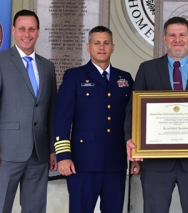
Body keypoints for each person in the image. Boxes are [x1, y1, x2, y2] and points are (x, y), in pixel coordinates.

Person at [125, 16, 188, 213]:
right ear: (164, 38)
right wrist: (130, 139)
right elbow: (133, 109)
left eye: (182, 35)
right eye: (172, 35)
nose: (177, 39)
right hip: (156, 163)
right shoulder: (147, 69)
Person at [0, 9, 57, 213]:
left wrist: (51, 150)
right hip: (5, 153)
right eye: (22, 28)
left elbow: (51, 112)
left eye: (31, 29)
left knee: (35, 209)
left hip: (39, 154)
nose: (27, 34)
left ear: (38, 31)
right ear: (13, 30)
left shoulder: (48, 67)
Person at [53, 26, 134, 213]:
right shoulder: (74, 76)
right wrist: (63, 157)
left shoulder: (125, 78)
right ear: (88, 47)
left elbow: (133, 120)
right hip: (83, 163)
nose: (102, 47)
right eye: (96, 43)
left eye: (106, 43)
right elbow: (62, 119)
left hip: (116, 162)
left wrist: (136, 156)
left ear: (113, 47)